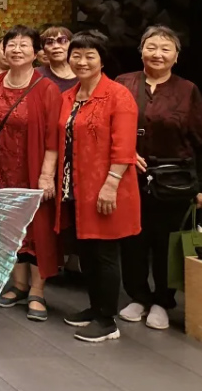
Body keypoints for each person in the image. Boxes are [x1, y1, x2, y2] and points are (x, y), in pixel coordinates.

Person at [117, 25, 202, 331]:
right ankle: (138, 296)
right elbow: (109, 128)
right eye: (151, 47)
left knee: (166, 243)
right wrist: (126, 153)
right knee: (132, 240)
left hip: (175, 180)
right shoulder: (123, 83)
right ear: (141, 51)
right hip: (130, 176)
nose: (157, 54)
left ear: (176, 56)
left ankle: (163, 300)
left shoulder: (188, 90)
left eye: (165, 48)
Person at [0, 26, 61, 323]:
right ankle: (19, 285)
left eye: (24, 45)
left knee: (37, 228)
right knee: (8, 227)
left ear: (36, 53)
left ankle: (37, 290)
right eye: (12, 44)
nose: (17, 49)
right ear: (3, 50)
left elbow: (53, 138)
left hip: (32, 169)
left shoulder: (46, 88)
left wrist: (46, 175)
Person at [55, 31, 139, 342]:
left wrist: (111, 184)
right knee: (87, 251)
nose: (82, 61)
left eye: (90, 55)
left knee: (105, 253)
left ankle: (107, 320)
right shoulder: (68, 96)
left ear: (102, 60)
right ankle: (95, 307)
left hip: (106, 186)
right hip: (77, 187)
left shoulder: (118, 95)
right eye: (76, 55)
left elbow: (124, 146)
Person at [38, 26, 78, 93]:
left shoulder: (86, 73)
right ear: (44, 50)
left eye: (62, 41)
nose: (56, 46)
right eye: (49, 42)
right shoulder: (35, 76)